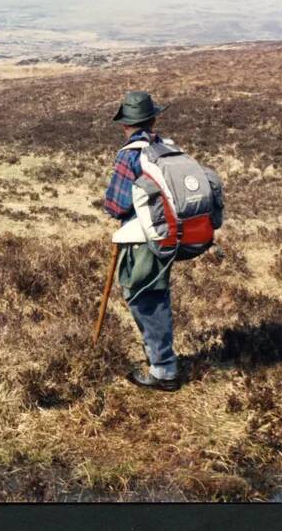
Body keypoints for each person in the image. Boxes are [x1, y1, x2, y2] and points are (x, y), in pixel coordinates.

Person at [103, 90, 180, 392]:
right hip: (167, 234)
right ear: (153, 118)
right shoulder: (163, 147)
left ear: (125, 124)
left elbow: (116, 205)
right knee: (155, 295)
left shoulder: (130, 155)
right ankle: (162, 361)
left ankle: (164, 371)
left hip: (143, 240)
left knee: (145, 298)